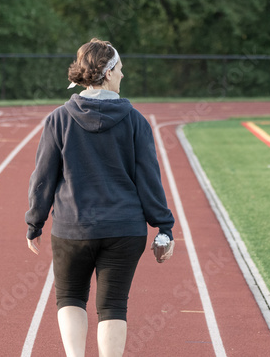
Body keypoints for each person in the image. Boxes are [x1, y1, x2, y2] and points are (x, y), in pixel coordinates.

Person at [25, 38, 176, 357]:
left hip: (72, 229)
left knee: (69, 299)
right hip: (124, 230)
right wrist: (163, 227)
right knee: (113, 307)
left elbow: (43, 178)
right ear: (107, 74)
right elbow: (149, 179)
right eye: (120, 69)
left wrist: (34, 223)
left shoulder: (59, 119)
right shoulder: (135, 121)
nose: (123, 74)